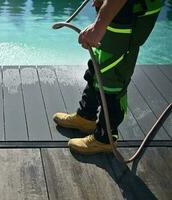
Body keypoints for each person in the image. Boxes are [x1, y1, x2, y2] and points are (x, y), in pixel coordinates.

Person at [53, 0, 162, 154]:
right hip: (119, 11)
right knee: (98, 65)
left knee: (113, 77)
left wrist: (99, 25)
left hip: (130, 14)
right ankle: (86, 116)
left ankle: (105, 138)